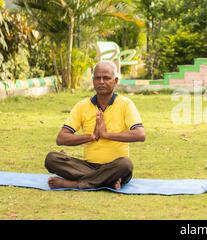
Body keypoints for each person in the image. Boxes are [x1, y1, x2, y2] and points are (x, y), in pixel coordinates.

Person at [45, 60, 145, 190]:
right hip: (87, 166)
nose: (101, 81)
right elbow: (61, 138)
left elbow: (140, 134)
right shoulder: (82, 106)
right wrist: (91, 136)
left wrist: (106, 135)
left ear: (115, 81)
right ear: (93, 81)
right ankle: (107, 181)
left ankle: (76, 184)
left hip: (116, 166)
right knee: (52, 159)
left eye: (106, 78)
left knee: (126, 164)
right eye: (97, 78)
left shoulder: (125, 104)